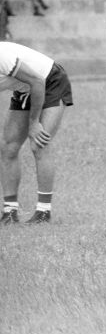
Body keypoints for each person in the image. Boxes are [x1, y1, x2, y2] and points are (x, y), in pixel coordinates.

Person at [0, 42, 73, 225]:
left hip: (48, 81)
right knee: (8, 147)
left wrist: (33, 123)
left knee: (39, 144)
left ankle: (43, 212)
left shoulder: (2, 57)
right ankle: (10, 212)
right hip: (25, 89)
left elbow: (37, 81)